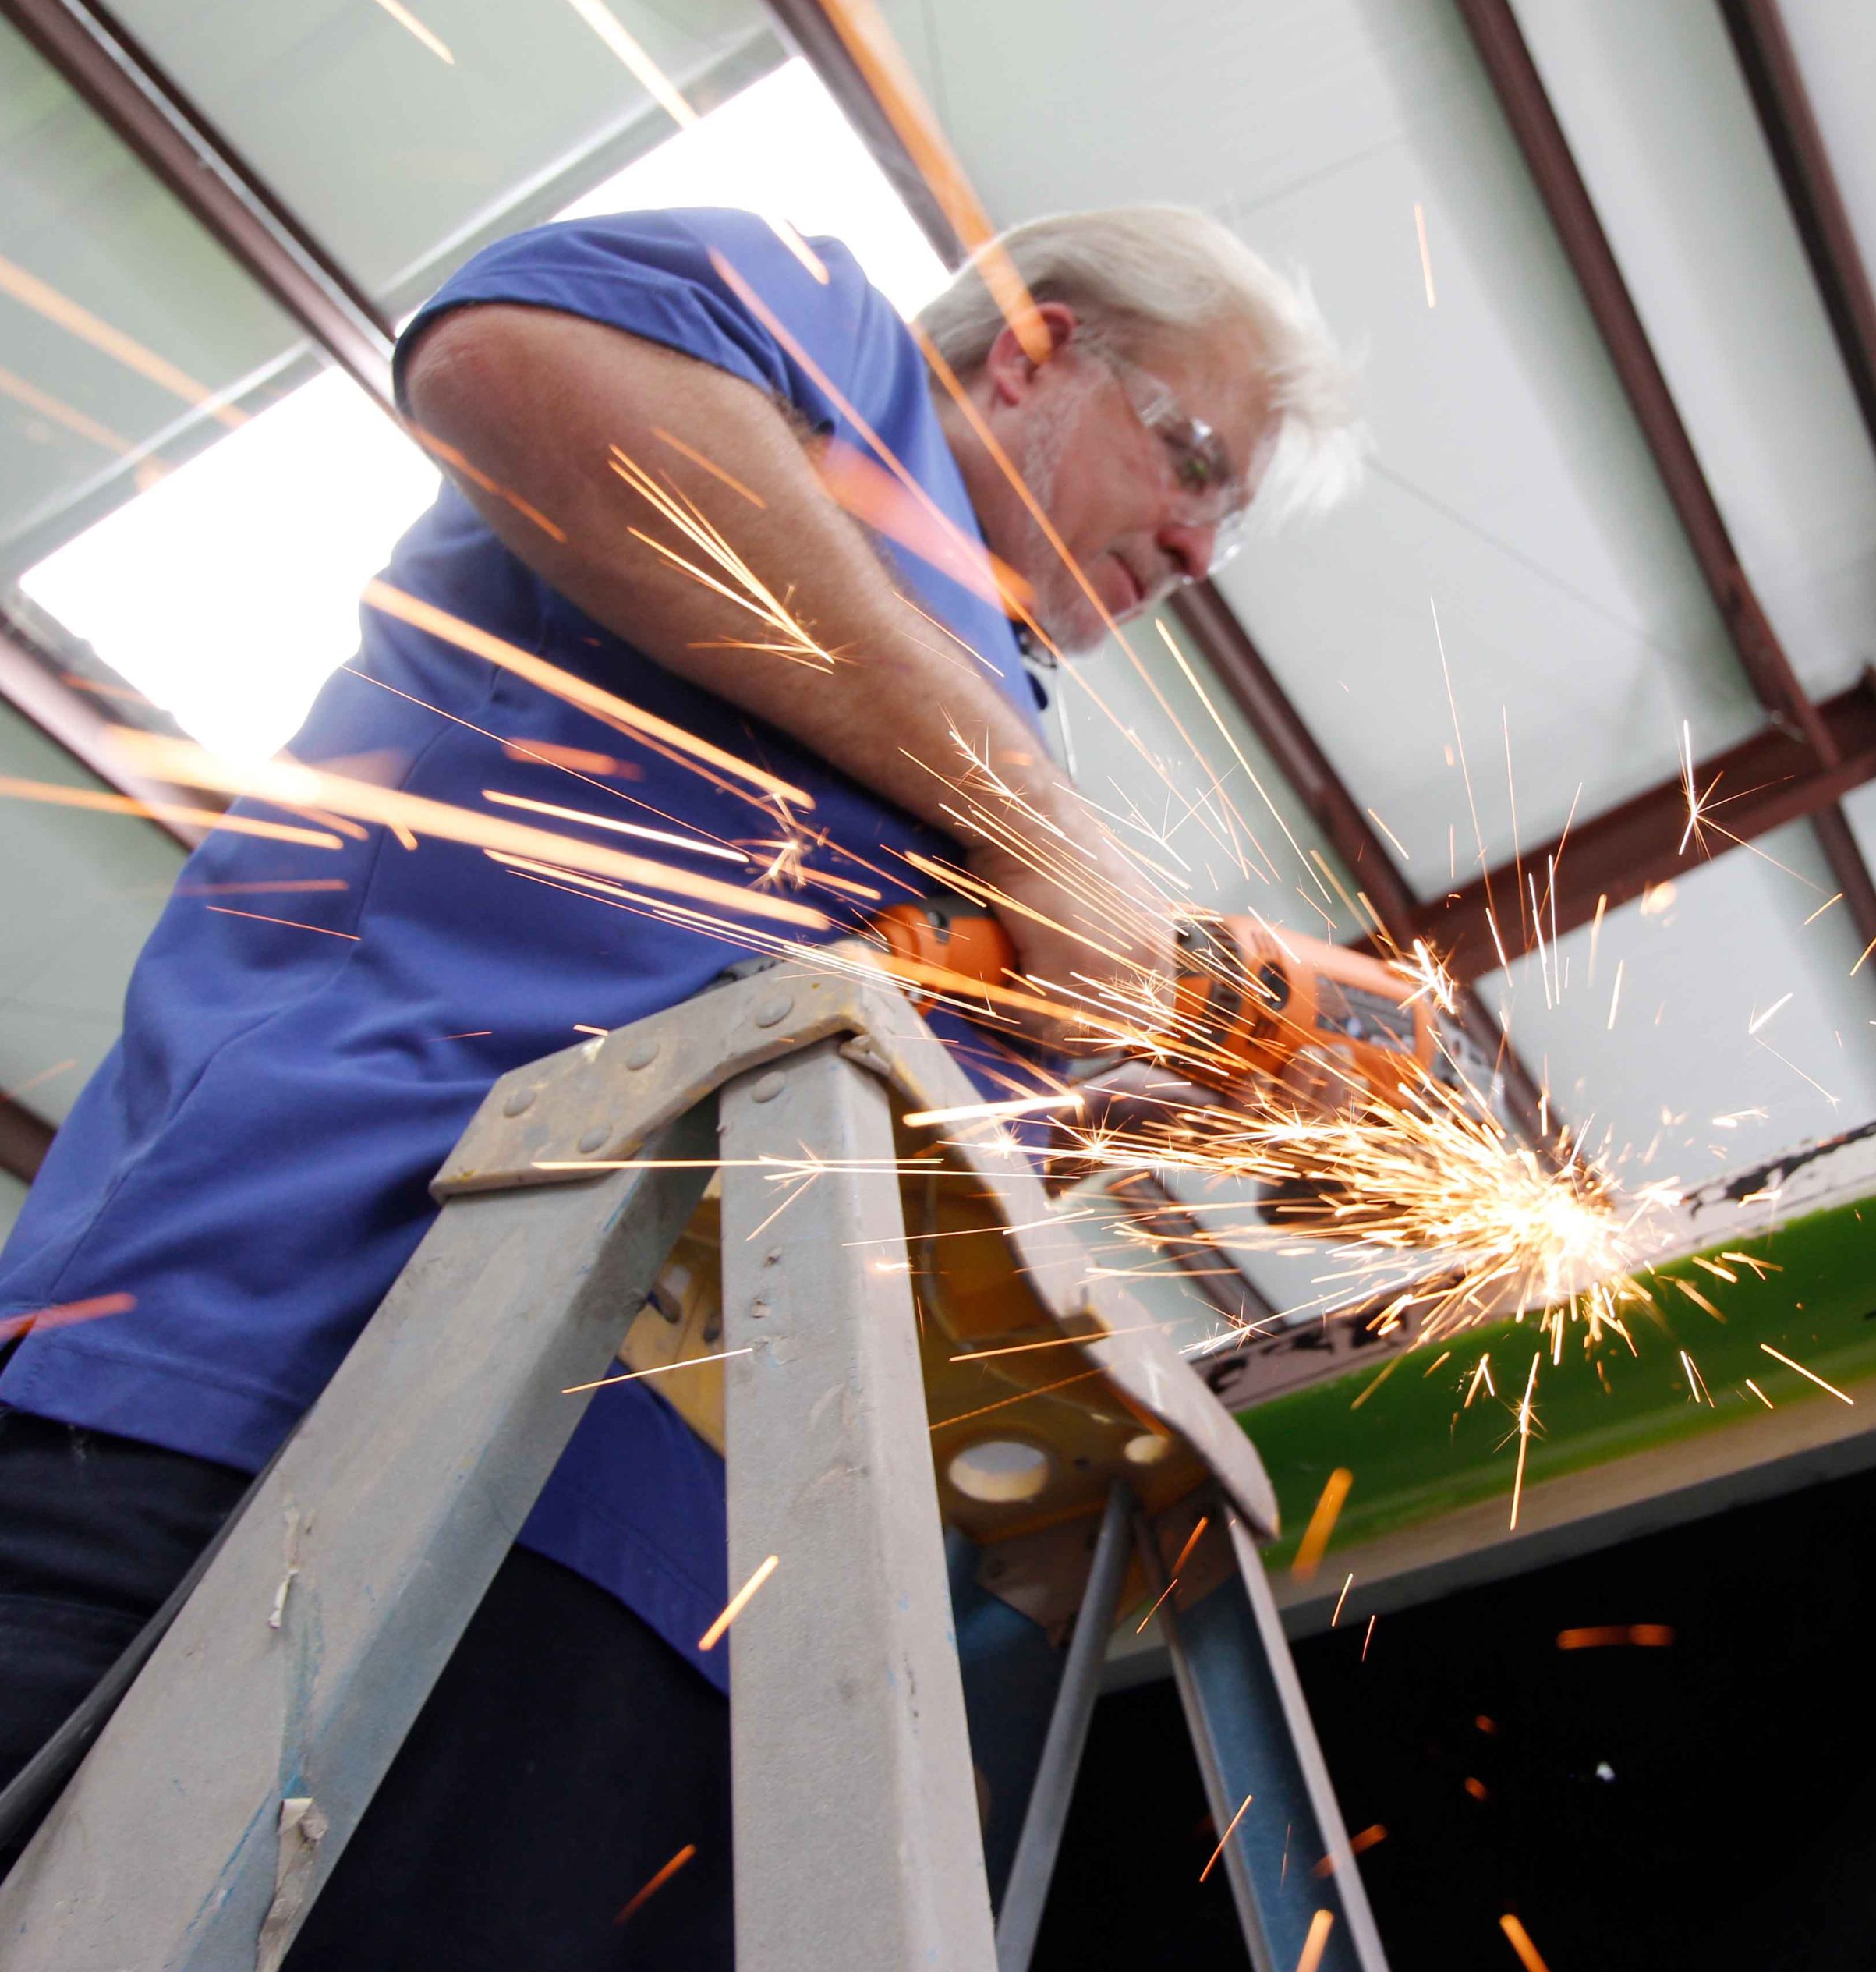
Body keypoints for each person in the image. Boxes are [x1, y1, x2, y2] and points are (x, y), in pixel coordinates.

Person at [0, 199, 1354, 1964]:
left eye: (1226, 519)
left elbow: (847, 1113)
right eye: (1190, 458)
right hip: (268, 1376)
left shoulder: (1006, 733)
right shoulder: (818, 343)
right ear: (1031, 344)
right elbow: (514, 366)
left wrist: (1161, 1076)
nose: (1193, 537)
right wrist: (1044, 843)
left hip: (679, 1585)